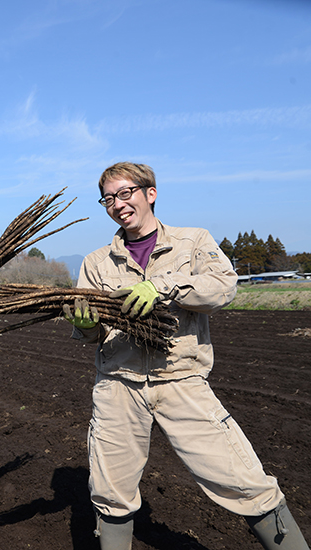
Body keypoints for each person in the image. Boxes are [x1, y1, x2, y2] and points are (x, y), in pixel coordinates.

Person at [63, 161, 309, 550]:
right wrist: (85, 323)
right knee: (111, 492)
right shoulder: (96, 262)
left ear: (150, 194)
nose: (117, 204)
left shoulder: (192, 242)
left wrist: (164, 286)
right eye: (108, 198)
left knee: (243, 479)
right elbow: (89, 336)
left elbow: (223, 288)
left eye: (126, 193)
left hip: (181, 380)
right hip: (118, 386)